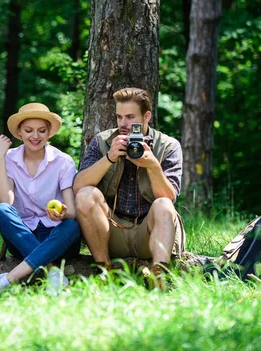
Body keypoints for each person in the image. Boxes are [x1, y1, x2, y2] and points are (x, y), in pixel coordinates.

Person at [73, 88, 185, 287]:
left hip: (149, 232)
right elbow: (78, 186)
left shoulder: (168, 146)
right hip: (111, 231)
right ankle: (104, 271)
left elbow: (169, 198)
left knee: (163, 205)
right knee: (85, 195)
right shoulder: (103, 142)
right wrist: (110, 157)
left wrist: (152, 165)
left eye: (130, 117)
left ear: (146, 116)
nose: (123, 124)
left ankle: (159, 277)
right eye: (119, 117)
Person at [0, 103, 81, 293]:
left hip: (56, 237)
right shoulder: (9, 158)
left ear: (49, 133)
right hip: (23, 236)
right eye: (29, 130)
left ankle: (9, 279)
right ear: (19, 132)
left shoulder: (63, 161)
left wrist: (61, 214)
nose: (35, 136)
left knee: (73, 226)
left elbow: (72, 211)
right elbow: (6, 201)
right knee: (1, 210)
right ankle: (52, 272)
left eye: (41, 131)